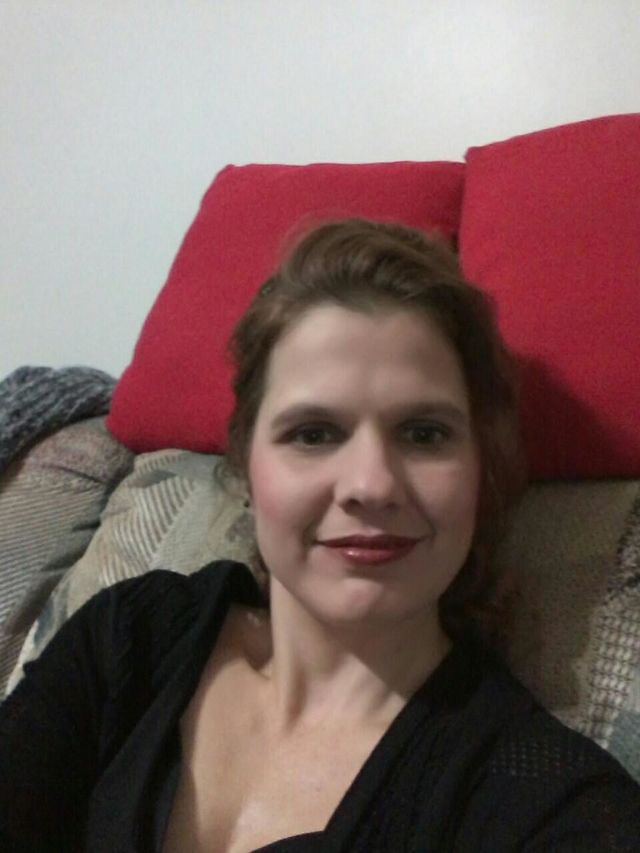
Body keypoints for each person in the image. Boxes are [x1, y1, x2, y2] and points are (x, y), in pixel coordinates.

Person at [0, 219, 638, 852]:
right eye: (313, 433)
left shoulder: (542, 801)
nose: (371, 484)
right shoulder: (128, 638)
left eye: (424, 434)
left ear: (481, 471)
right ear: (247, 464)